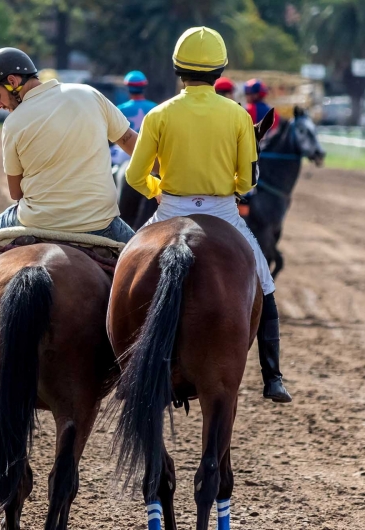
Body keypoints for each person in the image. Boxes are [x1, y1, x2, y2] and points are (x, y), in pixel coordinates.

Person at [0, 47, 138, 377]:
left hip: (34, 221)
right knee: (146, 268)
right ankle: (147, 363)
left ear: (13, 81)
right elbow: (129, 142)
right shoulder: (89, 95)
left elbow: (15, 192)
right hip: (101, 223)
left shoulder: (14, 123)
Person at [124, 26, 291, 403]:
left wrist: (158, 190)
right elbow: (247, 181)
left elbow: (135, 176)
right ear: (219, 72)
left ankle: (116, 368)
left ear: (177, 69)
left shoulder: (158, 114)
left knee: (121, 273)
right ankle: (273, 375)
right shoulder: (235, 115)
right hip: (222, 213)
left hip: (168, 209)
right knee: (265, 284)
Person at [111, 71, 157, 166]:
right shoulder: (155, 107)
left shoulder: (120, 109)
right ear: (143, 87)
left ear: (127, 87)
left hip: (124, 151)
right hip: (149, 153)